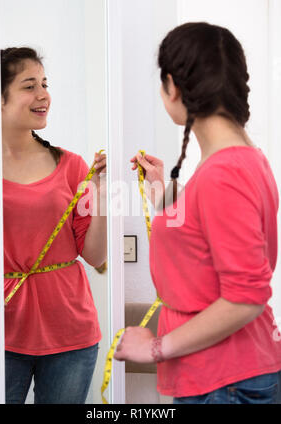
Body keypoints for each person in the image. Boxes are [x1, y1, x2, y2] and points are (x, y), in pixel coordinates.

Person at [114, 22, 281, 404]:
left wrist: (154, 348)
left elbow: (246, 297)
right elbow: (208, 235)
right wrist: (167, 195)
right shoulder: (243, 161)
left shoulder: (224, 174)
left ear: (173, 86)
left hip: (225, 381)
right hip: (229, 375)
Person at [1, 47, 107, 404]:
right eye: (29, 86)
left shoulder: (72, 165)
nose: (43, 94)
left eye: (44, 83)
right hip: (0, 329)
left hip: (70, 332)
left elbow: (94, 255)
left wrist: (103, 194)